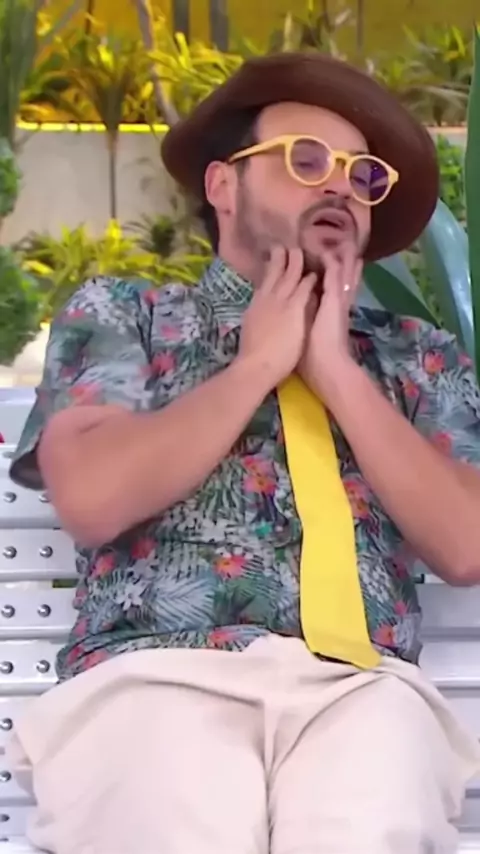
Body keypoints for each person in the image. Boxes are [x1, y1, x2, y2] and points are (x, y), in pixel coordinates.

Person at [7, 51, 480, 854]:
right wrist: (257, 365)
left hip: (361, 689)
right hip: (153, 676)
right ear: (224, 186)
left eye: (362, 175)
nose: (340, 185)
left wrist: (336, 371)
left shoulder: (415, 354)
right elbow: (92, 496)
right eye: (306, 160)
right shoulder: (129, 314)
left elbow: (467, 545)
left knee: (363, 829)